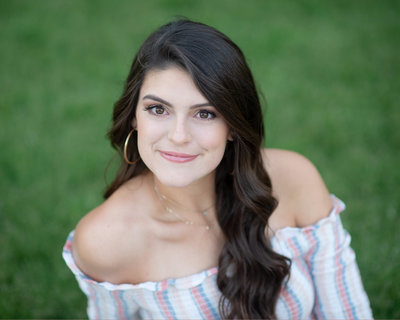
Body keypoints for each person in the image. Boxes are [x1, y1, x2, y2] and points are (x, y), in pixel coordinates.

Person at [63, 19, 372, 319]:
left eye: (205, 114)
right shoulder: (107, 240)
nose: (179, 136)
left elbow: (346, 312)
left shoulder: (293, 179)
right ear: (134, 117)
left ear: (233, 126)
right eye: (158, 109)